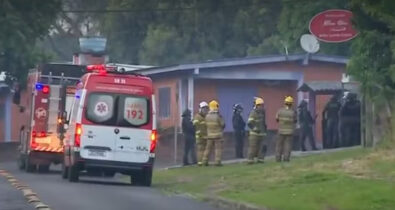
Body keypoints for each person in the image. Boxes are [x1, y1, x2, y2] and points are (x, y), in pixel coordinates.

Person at [202, 100, 225, 166]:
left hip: (209, 135)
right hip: (217, 135)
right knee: (218, 149)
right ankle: (217, 162)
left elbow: (206, 125)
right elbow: (222, 124)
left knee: (208, 149)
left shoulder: (207, 116)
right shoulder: (218, 116)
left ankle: (204, 161)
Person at [275, 96, 297, 162]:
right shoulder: (293, 112)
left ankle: (278, 158)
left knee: (279, 145)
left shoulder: (280, 111)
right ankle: (286, 158)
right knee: (288, 145)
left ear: (285, 103)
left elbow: (277, 119)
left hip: (281, 131)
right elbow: (295, 121)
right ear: (291, 104)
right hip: (289, 132)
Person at [247, 97, 267, 164]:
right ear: (257, 105)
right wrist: (255, 129)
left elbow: (263, 123)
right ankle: (250, 160)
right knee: (253, 148)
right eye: (260, 105)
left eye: (262, 105)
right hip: (254, 134)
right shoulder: (253, 113)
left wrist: (265, 131)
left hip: (262, 133)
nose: (262, 107)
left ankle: (260, 160)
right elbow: (249, 123)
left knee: (262, 147)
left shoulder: (263, 113)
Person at [193, 101, 209, 166]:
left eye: (206, 109)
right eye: (204, 109)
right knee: (200, 150)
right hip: (200, 137)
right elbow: (195, 126)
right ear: (200, 109)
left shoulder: (206, 117)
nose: (205, 110)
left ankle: (205, 162)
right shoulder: (197, 117)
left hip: (206, 136)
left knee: (206, 150)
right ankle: (200, 162)